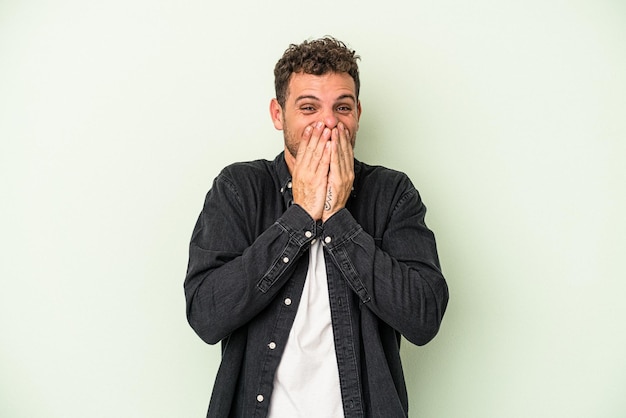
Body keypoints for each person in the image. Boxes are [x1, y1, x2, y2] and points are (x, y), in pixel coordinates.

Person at [184, 36, 449, 418]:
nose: (329, 122)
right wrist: (301, 216)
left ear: (357, 113)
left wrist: (338, 219)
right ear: (278, 115)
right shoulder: (238, 189)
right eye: (309, 107)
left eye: (342, 107)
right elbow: (207, 316)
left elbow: (423, 318)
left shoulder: (392, 194)